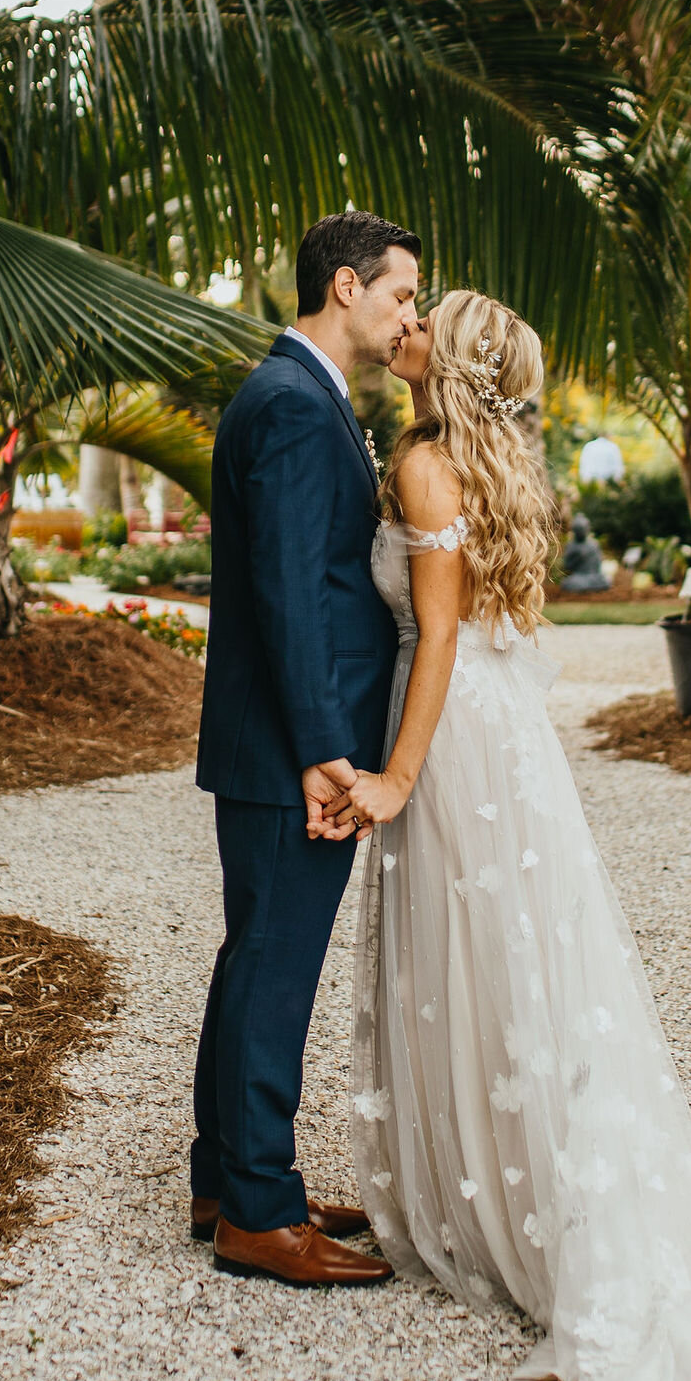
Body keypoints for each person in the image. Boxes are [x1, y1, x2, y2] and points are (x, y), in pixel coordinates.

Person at [327, 291, 691, 1381]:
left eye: (429, 319)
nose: (409, 324)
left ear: (455, 360)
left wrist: (393, 779)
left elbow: (434, 635)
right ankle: (512, 1180)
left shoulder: (429, 461)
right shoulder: (490, 465)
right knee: (518, 970)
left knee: (483, 965)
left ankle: (505, 1207)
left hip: (453, 740)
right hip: (507, 745)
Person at [190, 211, 421, 1286]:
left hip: (282, 742)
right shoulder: (290, 404)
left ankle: (227, 1177)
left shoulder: (300, 396)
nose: (406, 314)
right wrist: (326, 749)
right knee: (274, 969)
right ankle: (259, 1214)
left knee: (254, 958)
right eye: (399, 295)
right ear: (344, 286)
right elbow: (288, 595)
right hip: (294, 753)